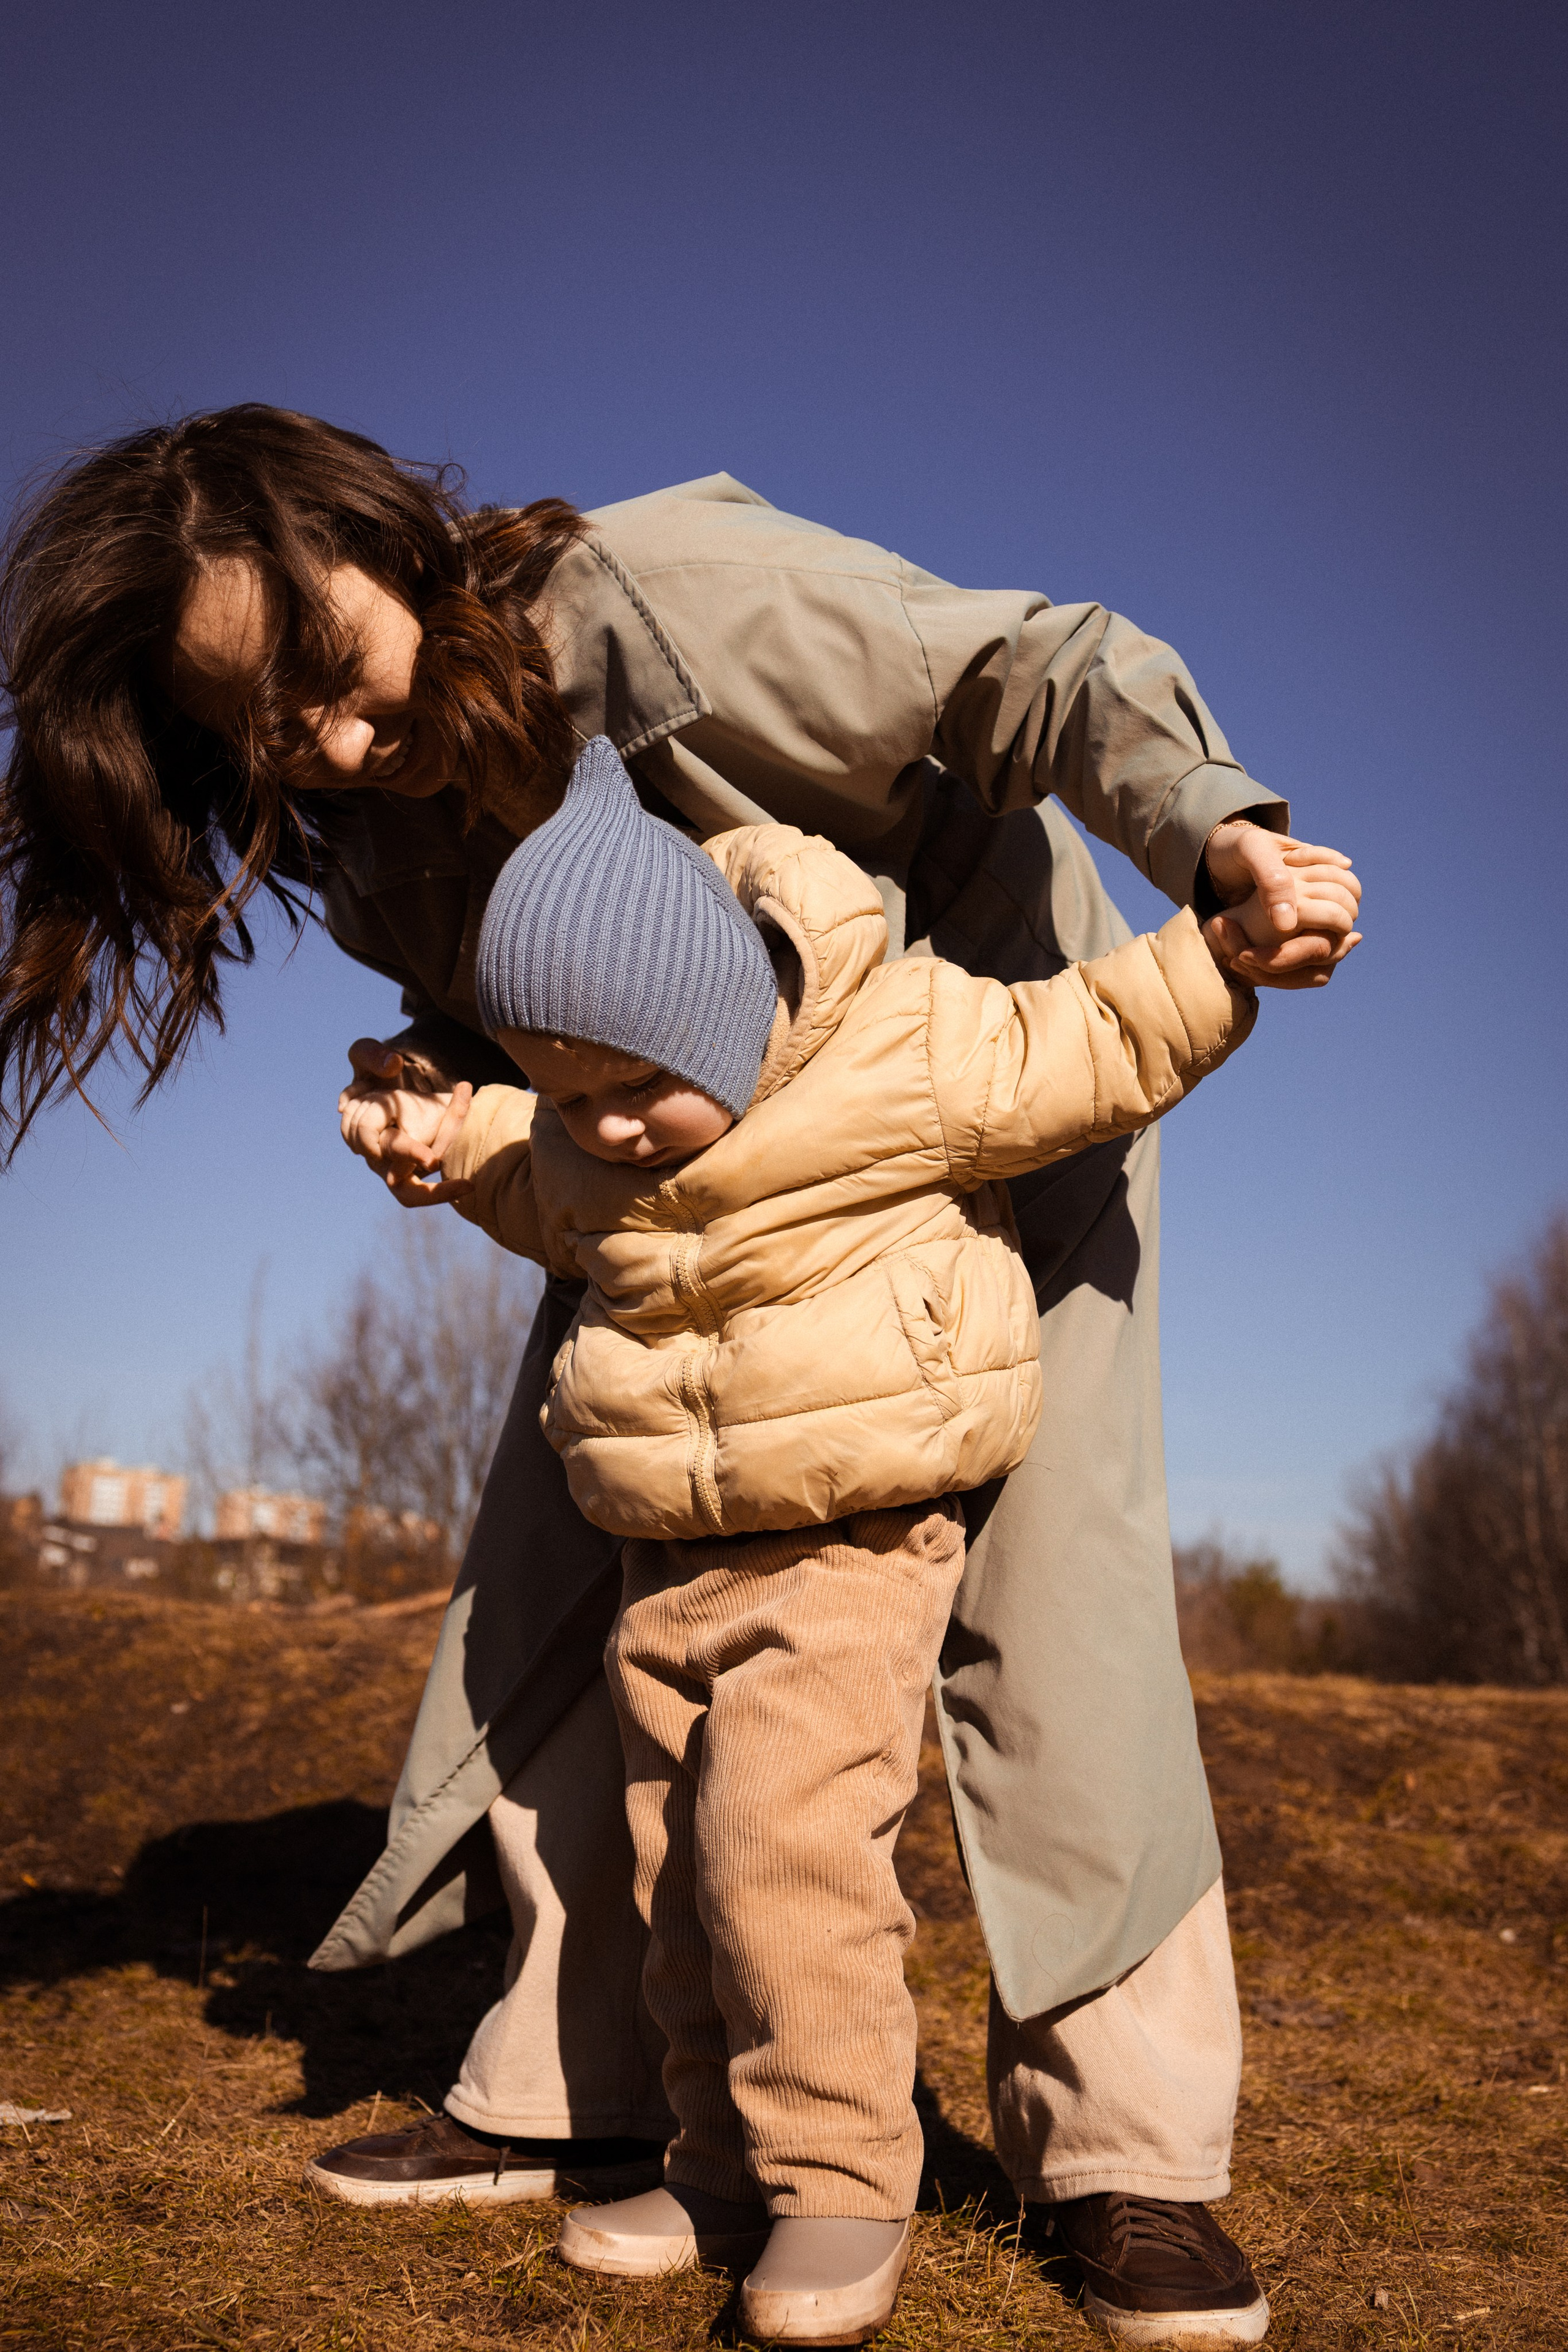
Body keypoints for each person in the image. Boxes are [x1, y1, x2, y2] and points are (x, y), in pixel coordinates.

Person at [0, 407, 1360, 2347]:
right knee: (582, 1565)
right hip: (661, 1181)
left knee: (1050, 1607)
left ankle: (1122, 2154)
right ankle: (588, 2097)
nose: (309, 744)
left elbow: (1028, 668)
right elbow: (492, 1020)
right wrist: (435, 1092)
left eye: (318, 672)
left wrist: (1214, 837)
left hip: (976, 1087)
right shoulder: (369, 819)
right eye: (249, 732)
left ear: (380, 543)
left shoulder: (658, 602)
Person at [356, 728, 1272, 2343]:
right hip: (671, 1563)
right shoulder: (588, 1136)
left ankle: (843, 2181)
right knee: (673, 1874)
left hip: (854, 1546)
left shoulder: (894, 1050)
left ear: (721, 1013)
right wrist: (450, 1144)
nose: (612, 1129)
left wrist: (1220, 951)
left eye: (637, 1087)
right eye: (573, 1095)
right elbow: (528, 1173)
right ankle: (718, 2163)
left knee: (786, 1853)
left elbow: (1091, 1039)